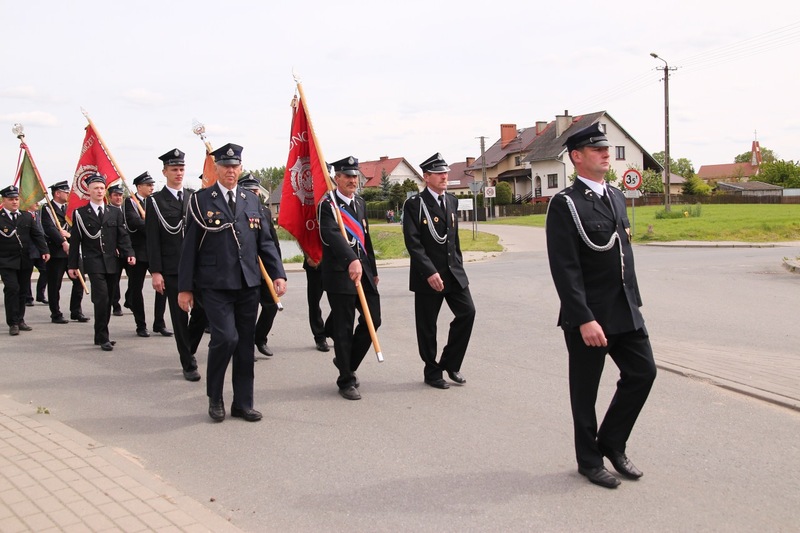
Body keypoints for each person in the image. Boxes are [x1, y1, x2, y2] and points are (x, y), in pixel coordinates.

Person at [545, 123, 657, 489]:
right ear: (577, 157)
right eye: (597, 149)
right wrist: (583, 318)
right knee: (585, 393)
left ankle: (611, 442)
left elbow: (624, 256)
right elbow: (565, 269)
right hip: (589, 317)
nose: (606, 153)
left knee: (643, 374)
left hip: (624, 309)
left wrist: (636, 304)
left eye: (606, 148)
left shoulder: (616, 196)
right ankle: (589, 460)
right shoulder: (565, 204)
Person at [178, 143, 286, 422]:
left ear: (240, 168)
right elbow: (189, 247)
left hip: (247, 283)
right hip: (215, 285)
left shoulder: (252, 201)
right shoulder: (201, 201)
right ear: (216, 169)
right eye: (225, 166)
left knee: (244, 345)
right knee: (225, 338)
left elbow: (266, 243)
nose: (231, 171)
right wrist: (185, 288)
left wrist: (278, 274)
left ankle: (243, 403)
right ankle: (215, 397)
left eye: (235, 166)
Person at [402, 153, 475, 389]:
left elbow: (454, 241)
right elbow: (413, 243)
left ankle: (450, 363)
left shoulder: (451, 201)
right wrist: (430, 272)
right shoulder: (415, 205)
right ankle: (432, 372)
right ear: (426, 177)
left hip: (453, 273)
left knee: (467, 313)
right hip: (428, 277)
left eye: (445, 172)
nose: (445, 176)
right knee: (427, 326)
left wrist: (460, 268)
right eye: (439, 173)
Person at [318, 156, 380, 401]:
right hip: (340, 274)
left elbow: (366, 240)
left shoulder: (360, 203)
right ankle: (346, 379)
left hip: (363, 271)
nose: (353, 180)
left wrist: (372, 270)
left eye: (356, 176)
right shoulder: (327, 205)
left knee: (373, 320)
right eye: (348, 176)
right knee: (343, 328)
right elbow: (331, 235)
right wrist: (350, 260)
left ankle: (346, 361)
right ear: (337, 178)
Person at [146, 148, 207, 381]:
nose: (179, 173)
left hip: (197, 267)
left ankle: (188, 347)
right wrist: (156, 272)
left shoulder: (194, 197)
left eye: (181, 169)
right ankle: (188, 362)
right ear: (165, 172)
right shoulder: (155, 202)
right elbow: (152, 239)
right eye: (174, 169)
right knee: (180, 315)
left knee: (202, 311)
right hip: (172, 268)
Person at [68, 175, 136, 351]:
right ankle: (103, 337)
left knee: (109, 299)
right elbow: (75, 241)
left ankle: (100, 335)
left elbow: (122, 235)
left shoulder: (114, 212)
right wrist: (72, 265)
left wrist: (129, 252)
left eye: (101, 188)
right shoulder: (80, 214)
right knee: (101, 298)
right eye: (95, 188)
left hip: (112, 261)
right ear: (89, 191)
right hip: (94, 261)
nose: (99, 191)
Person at [238, 172, 282, 358]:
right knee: (247, 310)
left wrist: (277, 270)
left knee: (271, 305)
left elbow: (272, 241)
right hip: (246, 267)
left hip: (264, 267)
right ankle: (243, 344)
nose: (254, 195)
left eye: (256, 191)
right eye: (250, 191)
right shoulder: (236, 210)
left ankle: (260, 337)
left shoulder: (264, 211)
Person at [124, 171, 170, 338]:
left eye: (152, 185)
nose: (152, 187)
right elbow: (134, 223)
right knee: (136, 289)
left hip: (155, 251)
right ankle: (140, 324)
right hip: (139, 251)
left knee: (162, 287)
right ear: (139, 187)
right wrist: (153, 226)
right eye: (148, 185)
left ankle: (159, 323)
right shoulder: (131, 202)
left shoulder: (155, 202)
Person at [0, 185, 50, 335]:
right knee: (12, 289)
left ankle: (20, 319)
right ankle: (13, 322)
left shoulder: (26, 216)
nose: (15, 202)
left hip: (24, 260)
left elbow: (37, 235)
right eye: (11, 199)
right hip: (6, 260)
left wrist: (44, 250)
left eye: (16, 199)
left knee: (22, 291)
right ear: (4, 200)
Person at [41, 181, 87, 323]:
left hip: (71, 251)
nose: (68, 194)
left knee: (80, 280)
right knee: (55, 284)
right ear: (57, 193)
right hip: (56, 253)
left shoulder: (70, 209)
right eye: (65, 192)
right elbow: (49, 228)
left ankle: (76, 311)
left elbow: (76, 228)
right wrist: (62, 242)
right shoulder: (48, 209)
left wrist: (69, 237)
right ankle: (56, 313)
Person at [302, 254, 329, 352]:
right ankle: (320, 337)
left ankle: (332, 329)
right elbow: (303, 239)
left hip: (337, 263)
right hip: (315, 262)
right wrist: (309, 255)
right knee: (314, 301)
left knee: (340, 301)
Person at [107, 184, 126, 317]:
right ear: (109, 197)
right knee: (115, 281)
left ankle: (130, 300)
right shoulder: (107, 212)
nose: (119, 198)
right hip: (115, 252)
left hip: (129, 251)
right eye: (116, 195)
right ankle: (115, 304)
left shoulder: (127, 209)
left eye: (120, 195)